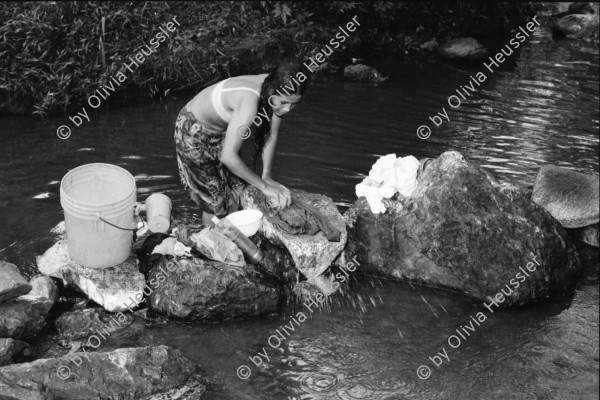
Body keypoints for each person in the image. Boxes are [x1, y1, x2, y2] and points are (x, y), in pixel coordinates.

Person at [174, 62, 308, 225]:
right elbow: (228, 157)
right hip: (193, 131)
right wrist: (265, 188)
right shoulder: (250, 99)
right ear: (273, 90)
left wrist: (267, 177)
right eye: (284, 102)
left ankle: (236, 234)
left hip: (224, 132)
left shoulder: (277, 90)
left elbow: (271, 134)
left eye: (294, 104)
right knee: (215, 200)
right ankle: (210, 244)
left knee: (239, 189)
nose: (288, 109)